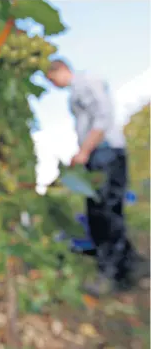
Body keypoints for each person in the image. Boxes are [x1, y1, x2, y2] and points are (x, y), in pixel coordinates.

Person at [46, 59, 149, 297]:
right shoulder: (77, 90)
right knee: (101, 211)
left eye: (52, 81)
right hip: (98, 154)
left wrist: (85, 150)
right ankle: (132, 267)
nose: (54, 86)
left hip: (105, 153)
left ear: (60, 70)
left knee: (104, 212)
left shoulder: (86, 82)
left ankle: (110, 273)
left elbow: (103, 116)